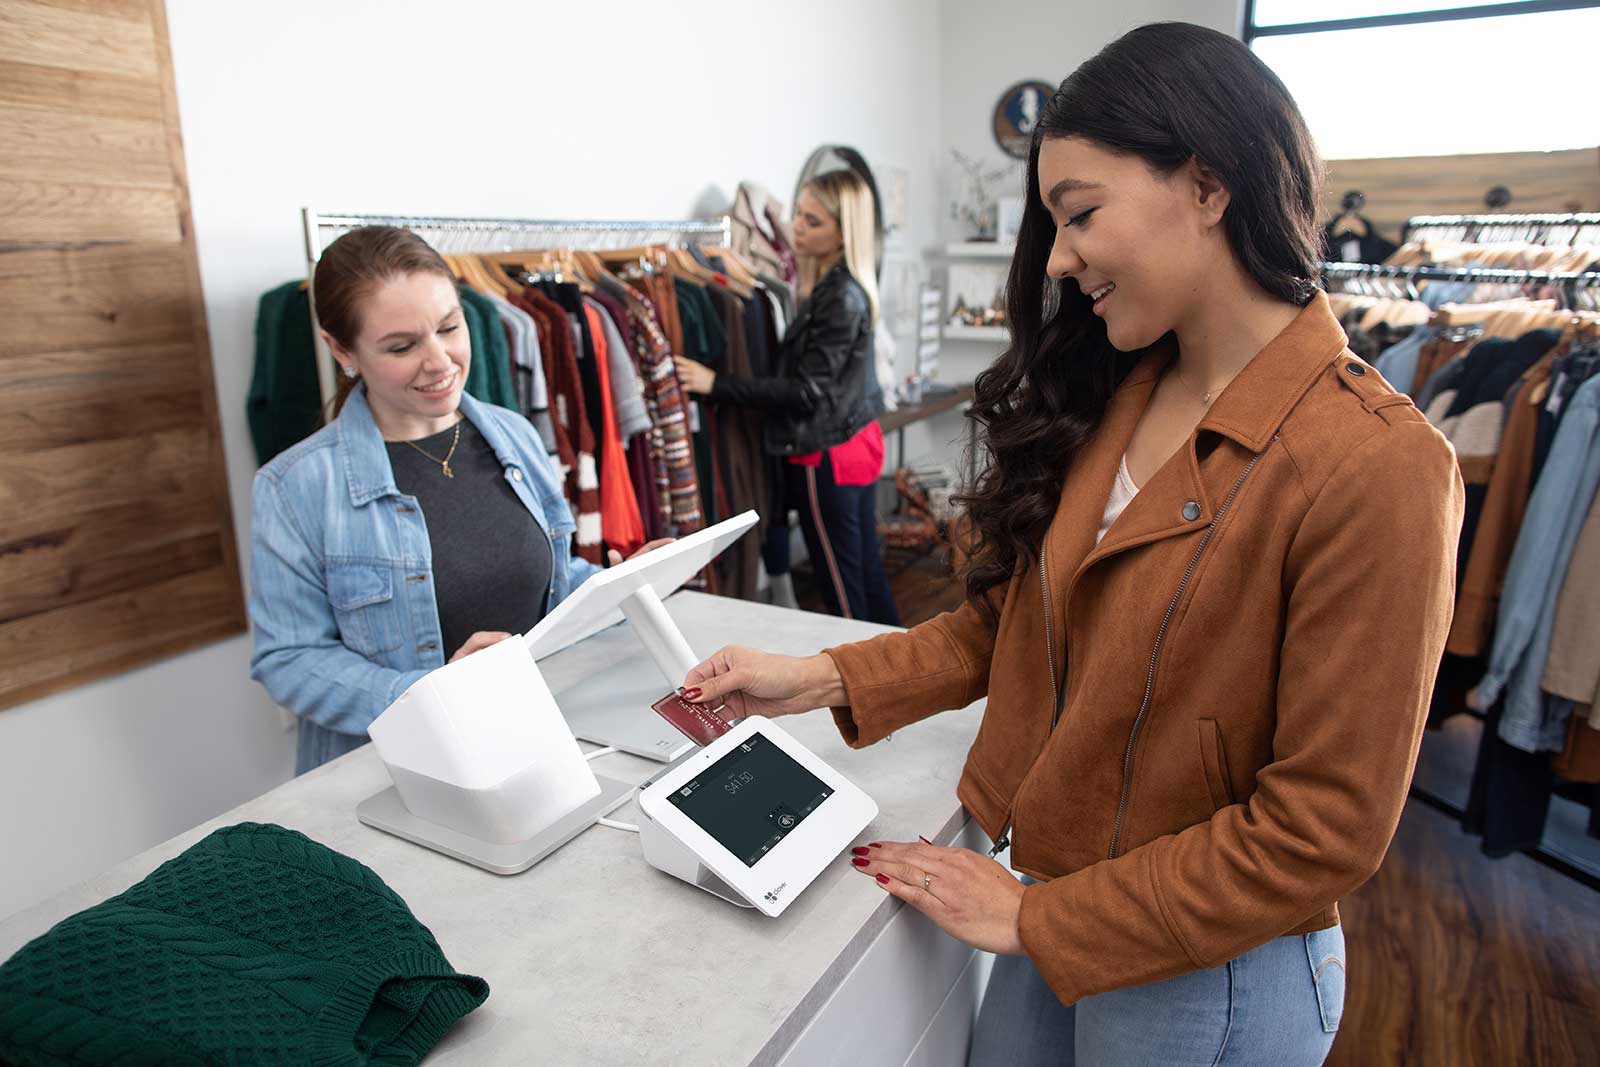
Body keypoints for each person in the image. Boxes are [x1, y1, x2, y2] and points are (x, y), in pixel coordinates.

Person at [678, 23, 1463, 1067]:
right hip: (1059, 900)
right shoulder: (1120, 391)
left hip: (1207, 968)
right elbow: (1017, 627)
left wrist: (1033, 919)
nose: (1057, 257)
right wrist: (816, 674)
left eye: (1079, 213)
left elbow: (1321, 827)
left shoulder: (1374, 464)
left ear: (1208, 184)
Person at [249, 226, 665, 774]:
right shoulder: (294, 487)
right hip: (397, 773)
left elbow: (548, 582)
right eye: (402, 346)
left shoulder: (512, 434)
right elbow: (290, 661)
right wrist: (430, 692)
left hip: (535, 743)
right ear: (341, 350)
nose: (440, 360)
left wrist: (618, 584)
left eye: (449, 327)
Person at [674, 169, 899, 625]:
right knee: (864, 572)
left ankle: (869, 683)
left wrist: (716, 384)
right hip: (851, 440)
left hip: (827, 454)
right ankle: (904, 674)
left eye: (812, 222)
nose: (796, 227)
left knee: (840, 587)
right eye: (798, 214)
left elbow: (807, 390)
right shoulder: (845, 286)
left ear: (842, 231)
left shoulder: (839, 296)